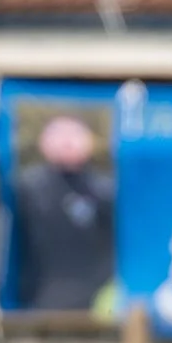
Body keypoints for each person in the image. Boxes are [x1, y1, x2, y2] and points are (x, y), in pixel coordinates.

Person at [12, 114, 115, 310]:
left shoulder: (106, 190)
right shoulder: (26, 189)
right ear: (44, 142)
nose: (67, 142)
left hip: (94, 296)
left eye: (74, 135)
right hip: (41, 296)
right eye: (59, 135)